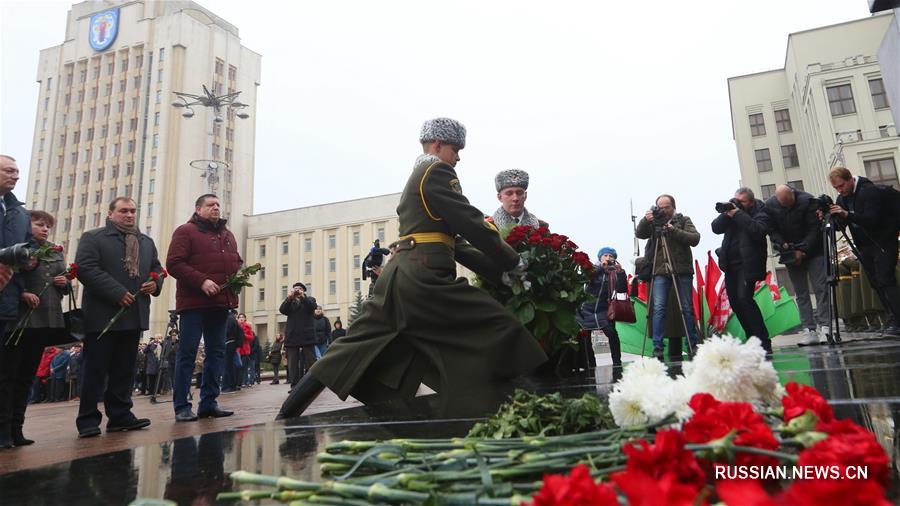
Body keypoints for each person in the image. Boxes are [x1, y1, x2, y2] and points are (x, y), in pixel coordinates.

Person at [277, 117, 547, 419]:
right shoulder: (436, 172)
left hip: (398, 279)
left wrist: (498, 272)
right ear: (438, 145)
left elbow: (454, 242)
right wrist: (512, 261)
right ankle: (535, 402)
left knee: (348, 350)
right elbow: (469, 222)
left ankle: (286, 417)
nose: (458, 156)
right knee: (500, 326)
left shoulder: (417, 176)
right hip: (424, 279)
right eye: (455, 149)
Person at [75, 196, 164, 438]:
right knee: (95, 370)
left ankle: (120, 415)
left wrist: (154, 283)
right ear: (110, 213)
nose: (129, 215)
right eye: (124, 211)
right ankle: (88, 420)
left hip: (133, 315)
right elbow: (86, 268)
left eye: (133, 211)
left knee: (124, 369)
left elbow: (157, 269)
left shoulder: (145, 242)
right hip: (102, 316)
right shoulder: (93, 238)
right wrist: (117, 293)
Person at [166, 194, 243, 421]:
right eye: (210, 205)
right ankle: (182, 406)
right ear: (198, 209)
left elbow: (236, 261)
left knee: (216, 353)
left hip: (220, 304)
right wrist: (201, 281)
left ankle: (209, 402)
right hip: (194, 304)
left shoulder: (227, 235)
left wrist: (238, 273)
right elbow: (174, 263)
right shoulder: (185, 231)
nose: (216, 208)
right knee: (187, 354)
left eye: (218, 204)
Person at [0, 210, 68, 446]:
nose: (45, 229)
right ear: (27, 225)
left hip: (44, 320)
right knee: (8, 375)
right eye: (39, 224)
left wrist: (64, 283)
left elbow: (63, 283)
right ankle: (3, 431)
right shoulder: (17, 248)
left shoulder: (55, 250)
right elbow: (7, 278)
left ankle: (17, 429)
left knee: (26, 377)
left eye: (48, 226)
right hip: (19, 320)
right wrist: (21, 293)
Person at [827, 167, 900, 337]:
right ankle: (892, 317)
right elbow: (840, 226)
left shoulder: (869, 191)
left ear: (851, 179)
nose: (840, 190)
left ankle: (898, 320)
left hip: (883, 241)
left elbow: (871, 219)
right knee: (876, 282)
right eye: (836, 188)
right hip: (864, 246)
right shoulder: (843, 198)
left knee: (885, 279)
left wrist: (846, 214)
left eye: (842, 185)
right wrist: (829, 218)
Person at [635, 194, 701, 360]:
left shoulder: (683, 220)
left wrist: (673, 230)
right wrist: (646, 219)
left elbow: (695, 238)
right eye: (660, 208)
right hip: (659, 270)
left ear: (673, 207)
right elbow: (640, 233)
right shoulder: (653, 222)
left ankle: (692, 345)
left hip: (682, 270)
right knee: (658, 308)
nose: (663, 211)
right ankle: (657, 348)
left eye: (666, 207)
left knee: (686, 308)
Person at [765, 185, 830, 344]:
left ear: (793, 195)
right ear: (777, 200)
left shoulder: (808, 201)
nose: (786, 206)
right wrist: (783, 244)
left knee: (821, 288)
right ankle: (809, 330)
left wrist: (803, 251)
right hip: (790, 253)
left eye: (789, 203)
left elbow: (815, 229)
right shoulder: (771, 206)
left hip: (814, 251)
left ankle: (826, 327)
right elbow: (772, 230)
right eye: (783, 204)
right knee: (801, 292)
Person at [712, 187, 773, 352]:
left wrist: (738, 214)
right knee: (736, 303)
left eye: (742, 201)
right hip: (730, 265)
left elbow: (758, 231)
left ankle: (763, 342)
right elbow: (715, 228)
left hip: (748, 265)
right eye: (736, 200)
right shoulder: (732, 212)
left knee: (745, 299)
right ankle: (752, 339)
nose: (738, 203)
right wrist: (728, 212)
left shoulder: (761, 211)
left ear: (751, 202)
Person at [0, 154, 34, 448]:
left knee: (5, 372)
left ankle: (5, 432)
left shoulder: (19, 213)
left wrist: (26, 262)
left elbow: (27, 250)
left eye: (17, 171)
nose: (16, 175)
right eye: (9, 171)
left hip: (7, 301)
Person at [576, 247, 627, 368]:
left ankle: (617, 363)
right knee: (585, 337)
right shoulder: (592, 268)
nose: (608, 258)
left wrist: (620, 273)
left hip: (604, 310)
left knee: (612, 333)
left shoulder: (614, 273)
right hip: (586, 309)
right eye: (605, 256)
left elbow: (622, 290)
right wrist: (600, 268)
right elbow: (585, 279)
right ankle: (590, 364)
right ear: (600, 257)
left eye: (611, 256)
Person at [279, 282, 317, 388]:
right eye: (295, 288)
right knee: (292, 363)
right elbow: (282, 310)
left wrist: (303, 297)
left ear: (304, 290)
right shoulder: (290, 302)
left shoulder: (310, 299)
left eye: (299, 288)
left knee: (311, 360)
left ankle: (312, 384)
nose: (297, 290)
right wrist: (289, 299)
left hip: (307, 335)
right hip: (292, 336)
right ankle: (295, 385)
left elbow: (312, 307)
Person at [236, 313, 254, 387]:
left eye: (243, 317)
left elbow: (251, 337)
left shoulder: (247, 327)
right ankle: (238, 382)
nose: (241, 318)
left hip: (244, 350)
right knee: (237, 366)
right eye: (240, 317)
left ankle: (244, 382)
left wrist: (244, 335)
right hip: (237, 349)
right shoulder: (235, 326)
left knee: (244, 367)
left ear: (245, 319)